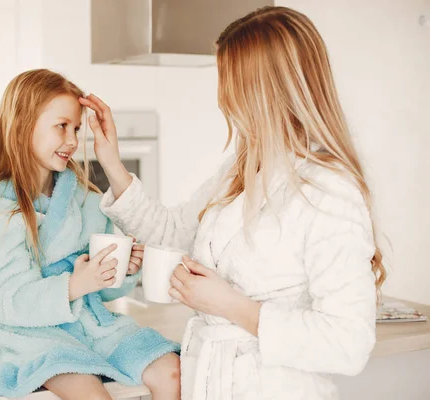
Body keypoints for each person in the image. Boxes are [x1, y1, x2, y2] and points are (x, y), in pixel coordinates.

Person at [81, 6, 386, 400]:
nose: (223, 98)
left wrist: (230, 305)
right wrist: (112, 164)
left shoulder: (328, 191)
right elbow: (173, 232)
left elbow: (349, 343)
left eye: (230, 81)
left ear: (263, 89)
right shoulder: (241, 169)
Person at [0, 69, 180, 400]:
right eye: (62, 126)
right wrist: (76, 284)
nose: (73, 140)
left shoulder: (85, 202)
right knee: (88, 391)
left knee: (171, 370)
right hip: (30, 336)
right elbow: (8, 302)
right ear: (22, 124)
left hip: (92, 328)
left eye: (76, 129)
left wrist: (121, 270)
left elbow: (101, 293)